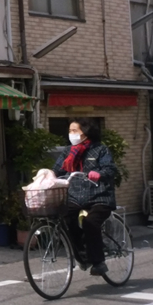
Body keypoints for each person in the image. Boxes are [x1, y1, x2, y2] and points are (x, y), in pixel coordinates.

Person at [53, 118, 117, 275]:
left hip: (99, 195)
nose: (71, 134)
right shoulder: (68, 151)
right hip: (76, 195)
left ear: (86, 133)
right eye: (69, 131)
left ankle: (98, 262)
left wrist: (99, 174)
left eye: (74, 131)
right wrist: (47, 176)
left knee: (90, 223)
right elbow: (57, 170)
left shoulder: (100, 150)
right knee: (65, 219)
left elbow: (110, 169)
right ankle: (82, 253)